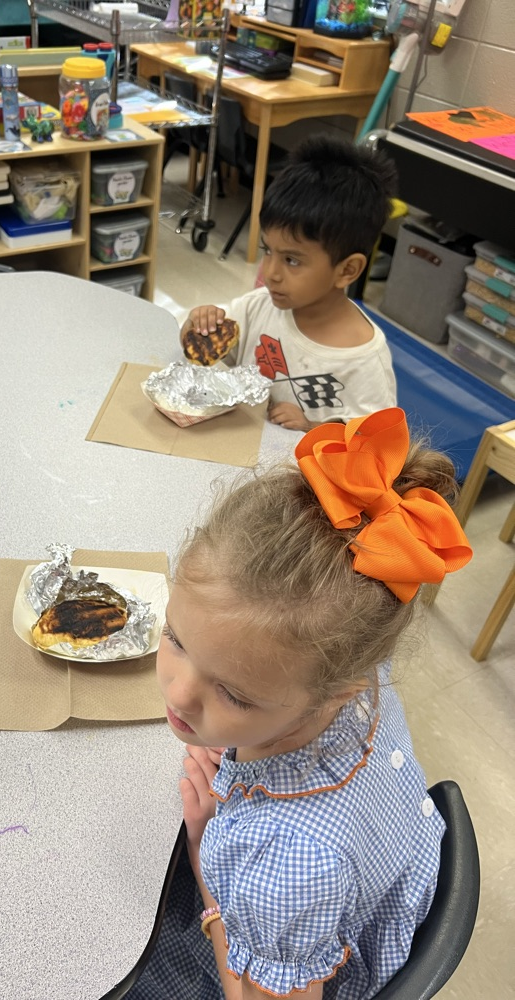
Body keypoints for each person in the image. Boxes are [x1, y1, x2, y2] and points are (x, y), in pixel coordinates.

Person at [129, 408, 472, 1000]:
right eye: (176, 637)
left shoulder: (289, 865)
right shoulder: (359, 676)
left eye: (233, 692)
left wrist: (205, 859)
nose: (178, 693)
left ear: (335, 687)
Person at [180, 135, 399, 432]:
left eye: (292, 260)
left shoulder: (363, 362)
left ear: (347, 270)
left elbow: (375, 444)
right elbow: (208, 350)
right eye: (267, 251)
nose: (270, 273)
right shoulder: (259, 307)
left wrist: (312, 427)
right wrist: (196, 323)